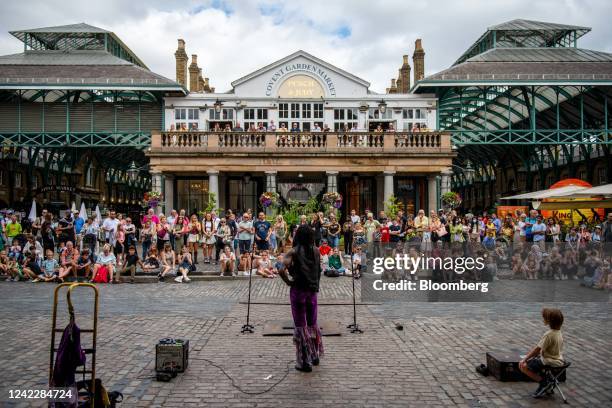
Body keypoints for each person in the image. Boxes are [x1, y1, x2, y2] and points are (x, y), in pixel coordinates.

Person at [278, 225, 323, 372]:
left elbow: (281, 269)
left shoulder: (294, 251)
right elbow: (318, 270)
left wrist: (288, 282)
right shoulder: (316, 251)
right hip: (312, 292)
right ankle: (314, 355)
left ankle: (304, 362)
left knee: (301, 326)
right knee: (312, 324)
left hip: (298, 292)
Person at [519, 308, 565, 398]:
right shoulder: (559, 332)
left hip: (548, 361)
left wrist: (525, 359)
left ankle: (544, 382)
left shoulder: (549, 334)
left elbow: (537, 350)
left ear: (549, 321)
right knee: (536, 361)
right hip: (559, 360)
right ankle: (549, 379)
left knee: (523, 366)